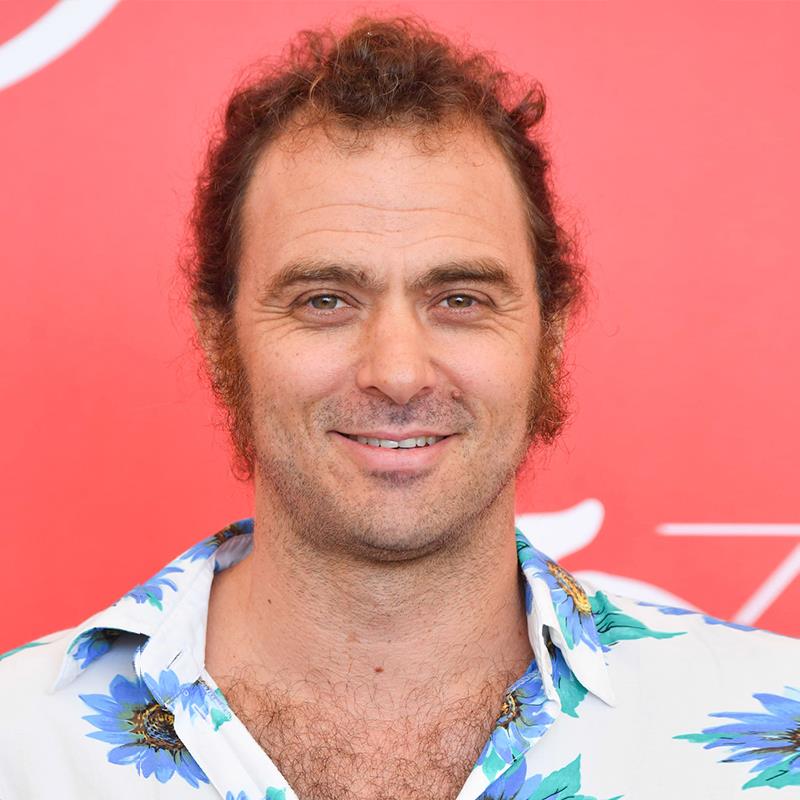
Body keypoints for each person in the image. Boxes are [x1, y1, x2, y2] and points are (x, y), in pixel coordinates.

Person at [1, 15, 798, 800]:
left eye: (460, 299)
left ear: (550, 338)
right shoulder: (21, 742)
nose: (398, 372)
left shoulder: (779, 731)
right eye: (324, 300)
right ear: (220, 341)